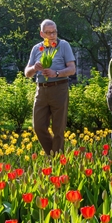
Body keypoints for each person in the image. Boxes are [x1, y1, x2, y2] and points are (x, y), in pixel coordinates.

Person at [25, 19, 76, 155]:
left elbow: (72, 69)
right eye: (48, 33)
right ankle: (53, 154)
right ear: (42, 34)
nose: (52, 35)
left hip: (59, 88)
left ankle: (56, 161)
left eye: (54, 32)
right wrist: (34, 68)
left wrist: (56, 73)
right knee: (38, 126)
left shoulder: (64, 45)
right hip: (41, 89)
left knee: (58, 128)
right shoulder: (37, 48)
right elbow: (27, 73)